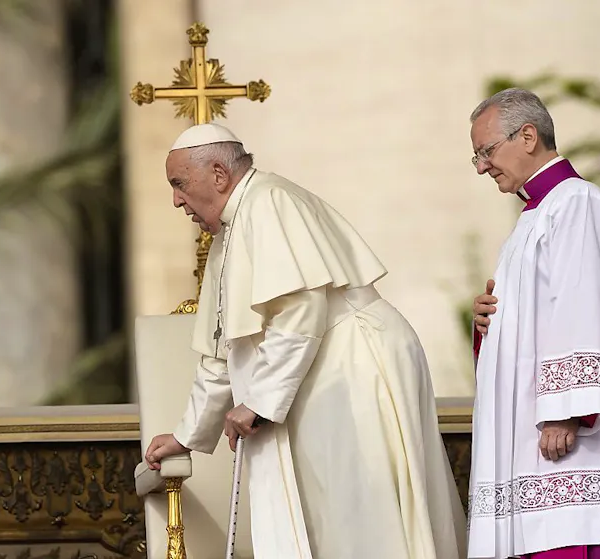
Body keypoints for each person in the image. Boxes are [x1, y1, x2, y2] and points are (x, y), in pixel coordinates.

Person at [144, 123, 467, 558]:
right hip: (324, 372)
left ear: (218, 174)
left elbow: (300, 310)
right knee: (332, 518)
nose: (176, 200)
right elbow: (224, 349)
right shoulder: (232, 228)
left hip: (356, 366)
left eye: (179, 184)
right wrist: (187, 434)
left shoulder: (269, 202)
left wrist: (259, 402)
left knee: (366, 513)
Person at [467, 88, 600, 559]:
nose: (481, 167)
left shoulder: (579, 204)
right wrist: (491, 322)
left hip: (567, 450)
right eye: (476, 156)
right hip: (534, 451)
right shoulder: (535, 215)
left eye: (486, 151)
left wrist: (568, 409)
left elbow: (590, 306)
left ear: (527, 136)